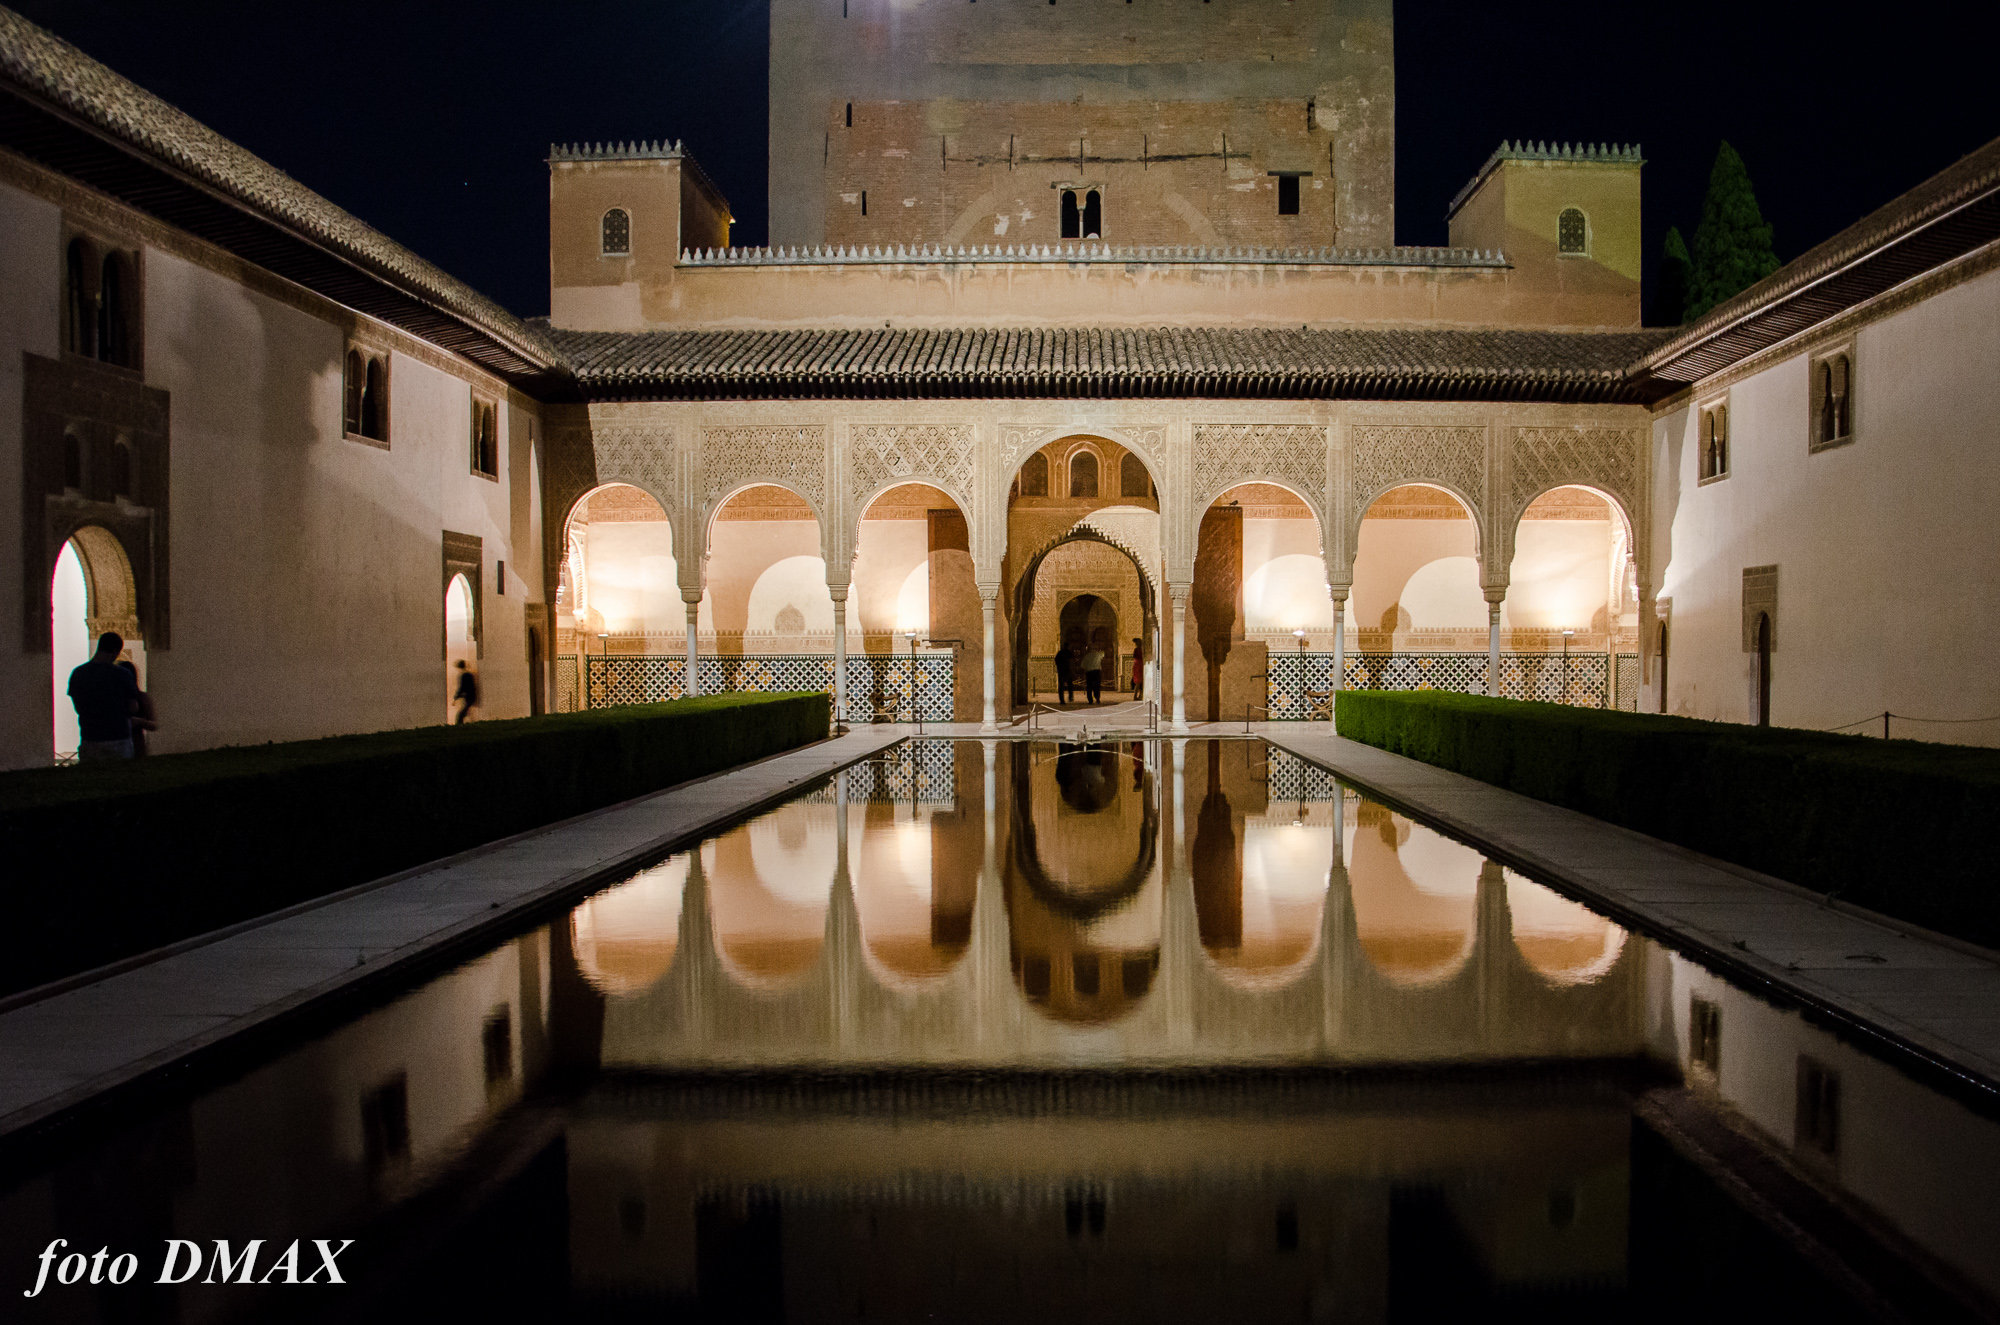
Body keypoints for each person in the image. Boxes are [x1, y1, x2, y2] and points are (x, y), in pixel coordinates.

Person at [67, 631, 139, 761]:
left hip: (90, 738)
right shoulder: (122, 674)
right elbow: (133, 707)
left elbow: (78, 707)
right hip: (118, 738)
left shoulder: (78, 673)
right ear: (115, 651)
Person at [114, 659, 158, 756]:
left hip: (135, 742)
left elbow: (155, 724)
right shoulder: (113, 698)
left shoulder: (142, 698)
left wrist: (139, 721)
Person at [453, 659, 480, 724]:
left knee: (460, 716)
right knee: (466, 713)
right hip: (471, 696)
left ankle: (460, 728)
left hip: (469, 697)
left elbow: (462, 687)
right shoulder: (469, 675)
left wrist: (456, 697)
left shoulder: (464, 675)